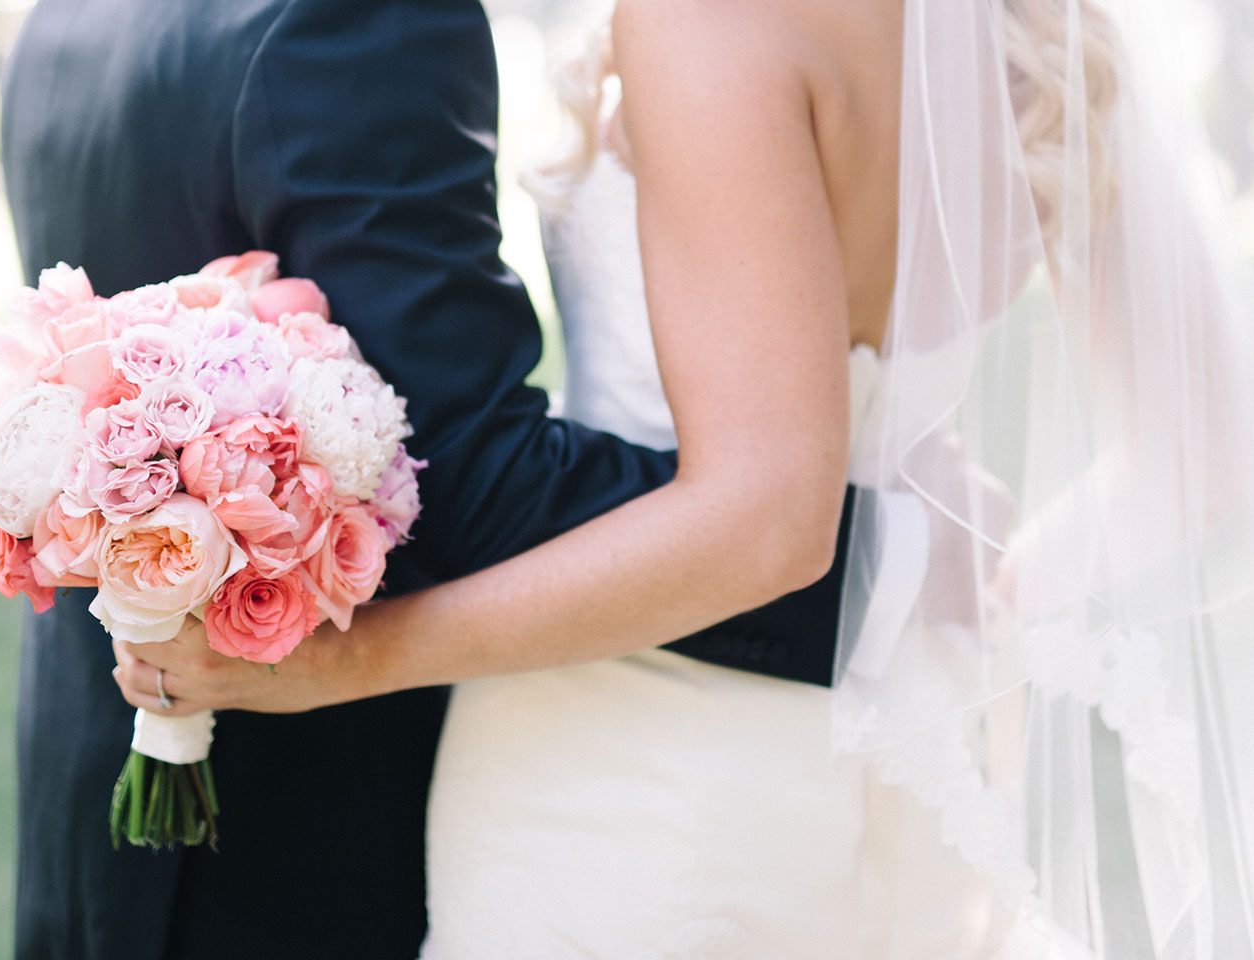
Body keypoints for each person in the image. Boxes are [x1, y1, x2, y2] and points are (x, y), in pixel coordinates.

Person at [124, 0, 1254, 956]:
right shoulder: (1028, 30)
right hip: (921, 737)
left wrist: (344, 664)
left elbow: (769, 523)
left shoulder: (710, 19)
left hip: (630, 760)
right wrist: (951, 591)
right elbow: (1203, 444)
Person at [0, 0, 858, 956]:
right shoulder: (358, 18)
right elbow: (468, 485)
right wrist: (877, 559)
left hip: (92, 790)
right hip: (296, 821)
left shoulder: (70, 15)